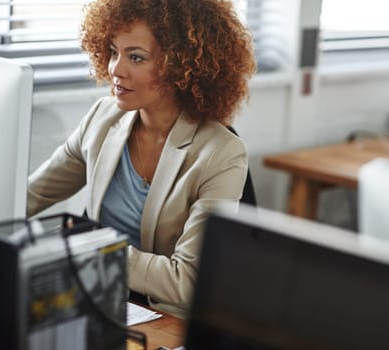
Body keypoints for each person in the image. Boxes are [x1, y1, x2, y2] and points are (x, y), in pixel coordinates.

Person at [27, 0, 256, 318]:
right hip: (100, 299)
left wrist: (96, 251)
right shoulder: (102, 118)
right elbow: (33, 194)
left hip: (165, 319)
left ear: (179, 65)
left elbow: (187, 282)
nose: (115, 69)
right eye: (112, 51)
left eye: (136, 57)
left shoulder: (220, 153)